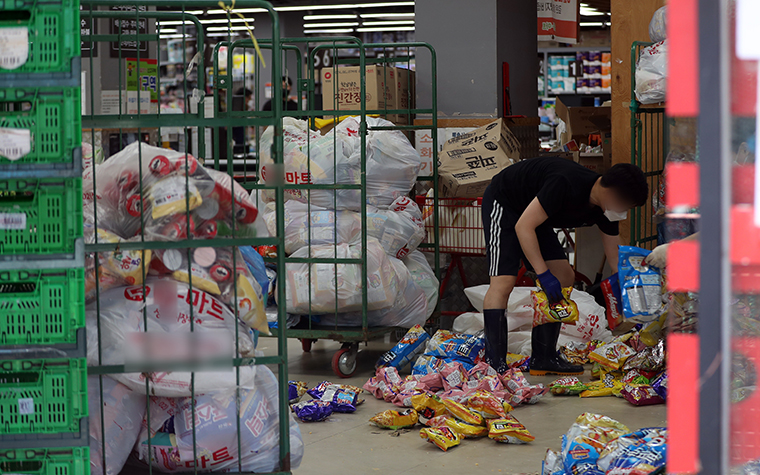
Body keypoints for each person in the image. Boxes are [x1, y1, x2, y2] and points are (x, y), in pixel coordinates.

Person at [481, 156, 648, 375]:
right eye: (626, 205)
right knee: (503, 282)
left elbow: (615, 260)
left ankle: (544, 356)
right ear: (612, 194)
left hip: (534, 215)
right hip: (506, 203)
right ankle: (495, 363)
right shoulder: (565, 182)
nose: (624, 212)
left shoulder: (607, 209)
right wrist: (542, 274)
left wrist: (631, 296)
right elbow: (523, 226)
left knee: (564, 276)